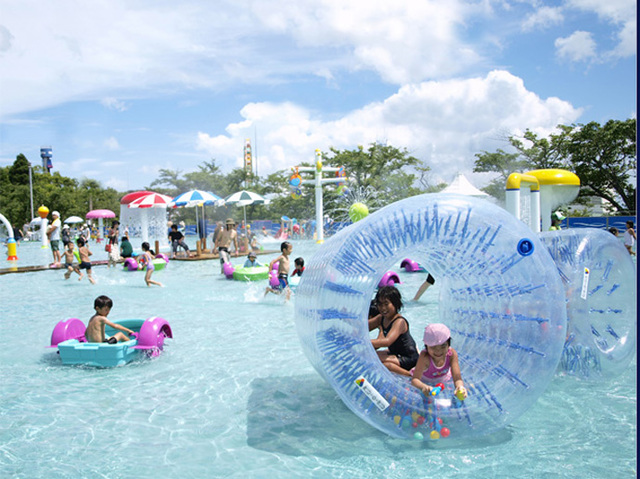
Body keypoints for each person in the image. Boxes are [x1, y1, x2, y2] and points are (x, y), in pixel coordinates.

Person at [368, 286, 419, 376]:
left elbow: (387, 341)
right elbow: (364, 327)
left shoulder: (399, 321)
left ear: (395, 303)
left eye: (386, 304)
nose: (383, 308)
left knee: (384, 364)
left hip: (409, 358)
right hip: (395, 353)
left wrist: (365, 342)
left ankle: (410, 375)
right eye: (380, 304)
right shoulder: (381, 318)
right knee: (370, 356)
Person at [410, 323, 467, 399]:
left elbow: (457, 377)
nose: (438, 351)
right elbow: (415, 380)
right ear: (426, 346)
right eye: (433, 347)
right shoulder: (424, 358)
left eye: (443, 346)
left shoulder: (451, 354)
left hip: (444, 380)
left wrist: (459, 387)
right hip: (425, 382)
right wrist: (424, 387)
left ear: (448, 344)